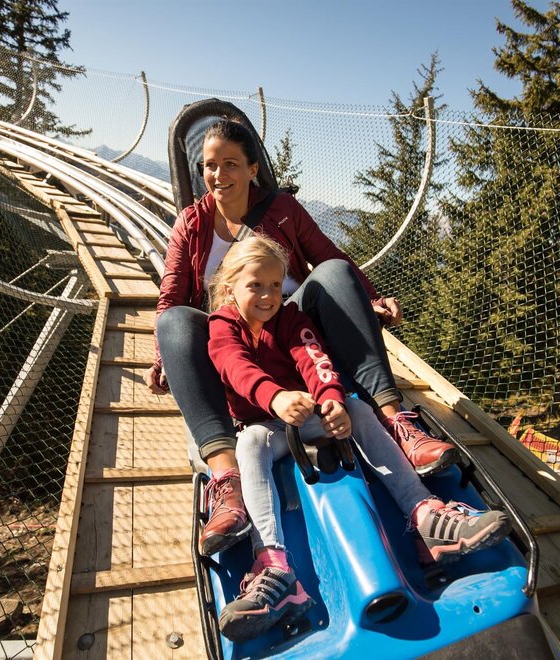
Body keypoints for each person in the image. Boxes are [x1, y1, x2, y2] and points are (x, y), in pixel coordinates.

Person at [145, 118, 459, 556]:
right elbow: (171, 296)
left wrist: (370, 299)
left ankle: (397, 423)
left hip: (294, 326)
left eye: (230, 163)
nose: (218, 175)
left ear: (253, 169)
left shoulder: (283, 210)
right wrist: (163, 358)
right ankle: (227, 480)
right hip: (234, 336)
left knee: (333, 271)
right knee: (174, 322)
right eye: (210, 165)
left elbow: (328, 257)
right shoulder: (192, 223)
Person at [205, 236, 511, 641]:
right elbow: (234, 365)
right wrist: (275, 397)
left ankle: (425, 515)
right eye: (256, 286)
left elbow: (315, 359)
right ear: (230, 289)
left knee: (360, 410)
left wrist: (331, 401)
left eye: (276, 285)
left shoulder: (291, 319)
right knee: (248, 445)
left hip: (309, 412)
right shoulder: (222, 326)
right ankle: (274, 566)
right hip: (266, 423)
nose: (268, 296)